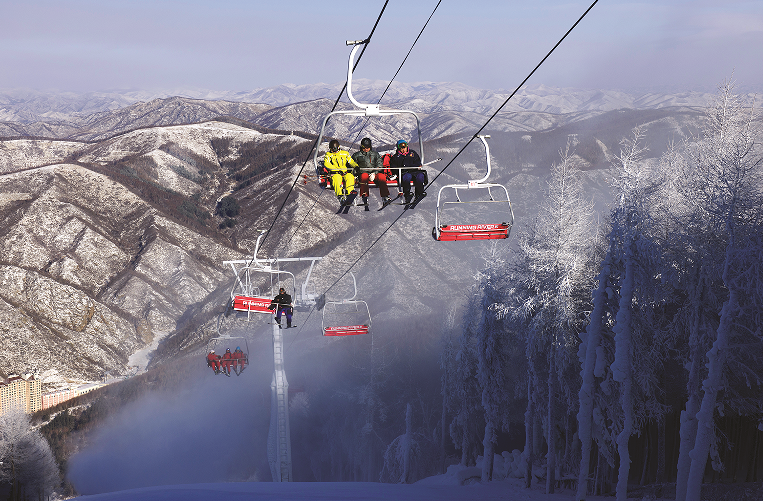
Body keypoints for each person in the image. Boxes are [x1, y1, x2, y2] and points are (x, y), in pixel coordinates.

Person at [352, 137, 392, 208]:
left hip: (374, 173)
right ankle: (365, 194)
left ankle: (385, 196)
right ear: (361, 146)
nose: (366, 149)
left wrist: (374, 172)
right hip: (363, 173)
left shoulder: (375, 154)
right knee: (364, 176)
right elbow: (353, 165)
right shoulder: (357, 155)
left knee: (382, 177)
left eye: (368, 147)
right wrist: (356, 173)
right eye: (364, 147)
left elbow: (380, 164)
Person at [389, 140, 425, 204]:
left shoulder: (413, 154)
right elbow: (393, 168)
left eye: (404, 147)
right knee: (407, 177)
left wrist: (414, 166)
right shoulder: (396, 157)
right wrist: (399, 172)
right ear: (398, 148)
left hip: (414, 171)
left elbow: (417, 162)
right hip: (404, 173)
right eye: (401, 148)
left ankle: (419, 192)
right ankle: (407, 194)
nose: (403, 150)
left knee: (420, 176)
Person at [323, 139, 358, 205]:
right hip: (335, 173)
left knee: (350, 177)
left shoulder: (345, 153)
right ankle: (340, 196)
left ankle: (349, 194)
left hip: (344, 172)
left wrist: (356, 166)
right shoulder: (328, 155)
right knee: (336, 178)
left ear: (338, 147)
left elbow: (351, 161)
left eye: (335, 149)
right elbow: (327, 164)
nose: (334, 151)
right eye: (332, 149)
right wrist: (336, 170)